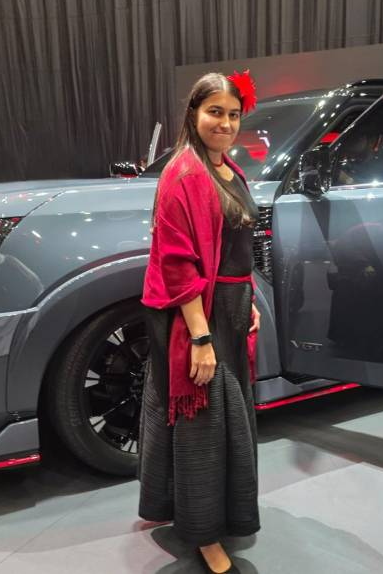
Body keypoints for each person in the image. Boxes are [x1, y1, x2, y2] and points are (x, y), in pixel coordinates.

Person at [139, 70, 261, 574]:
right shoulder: (185, 174)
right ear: (193, 113)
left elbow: (236, 249)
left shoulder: (227, 169)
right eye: (215, 112)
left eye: (233, 115)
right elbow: (178, 265)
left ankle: (217, 514)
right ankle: (203, 533)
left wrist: (247, 301)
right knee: (203, 426)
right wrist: (201, 337)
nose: (225, 123)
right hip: (200, 315)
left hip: (229, 308)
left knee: (228, 422)